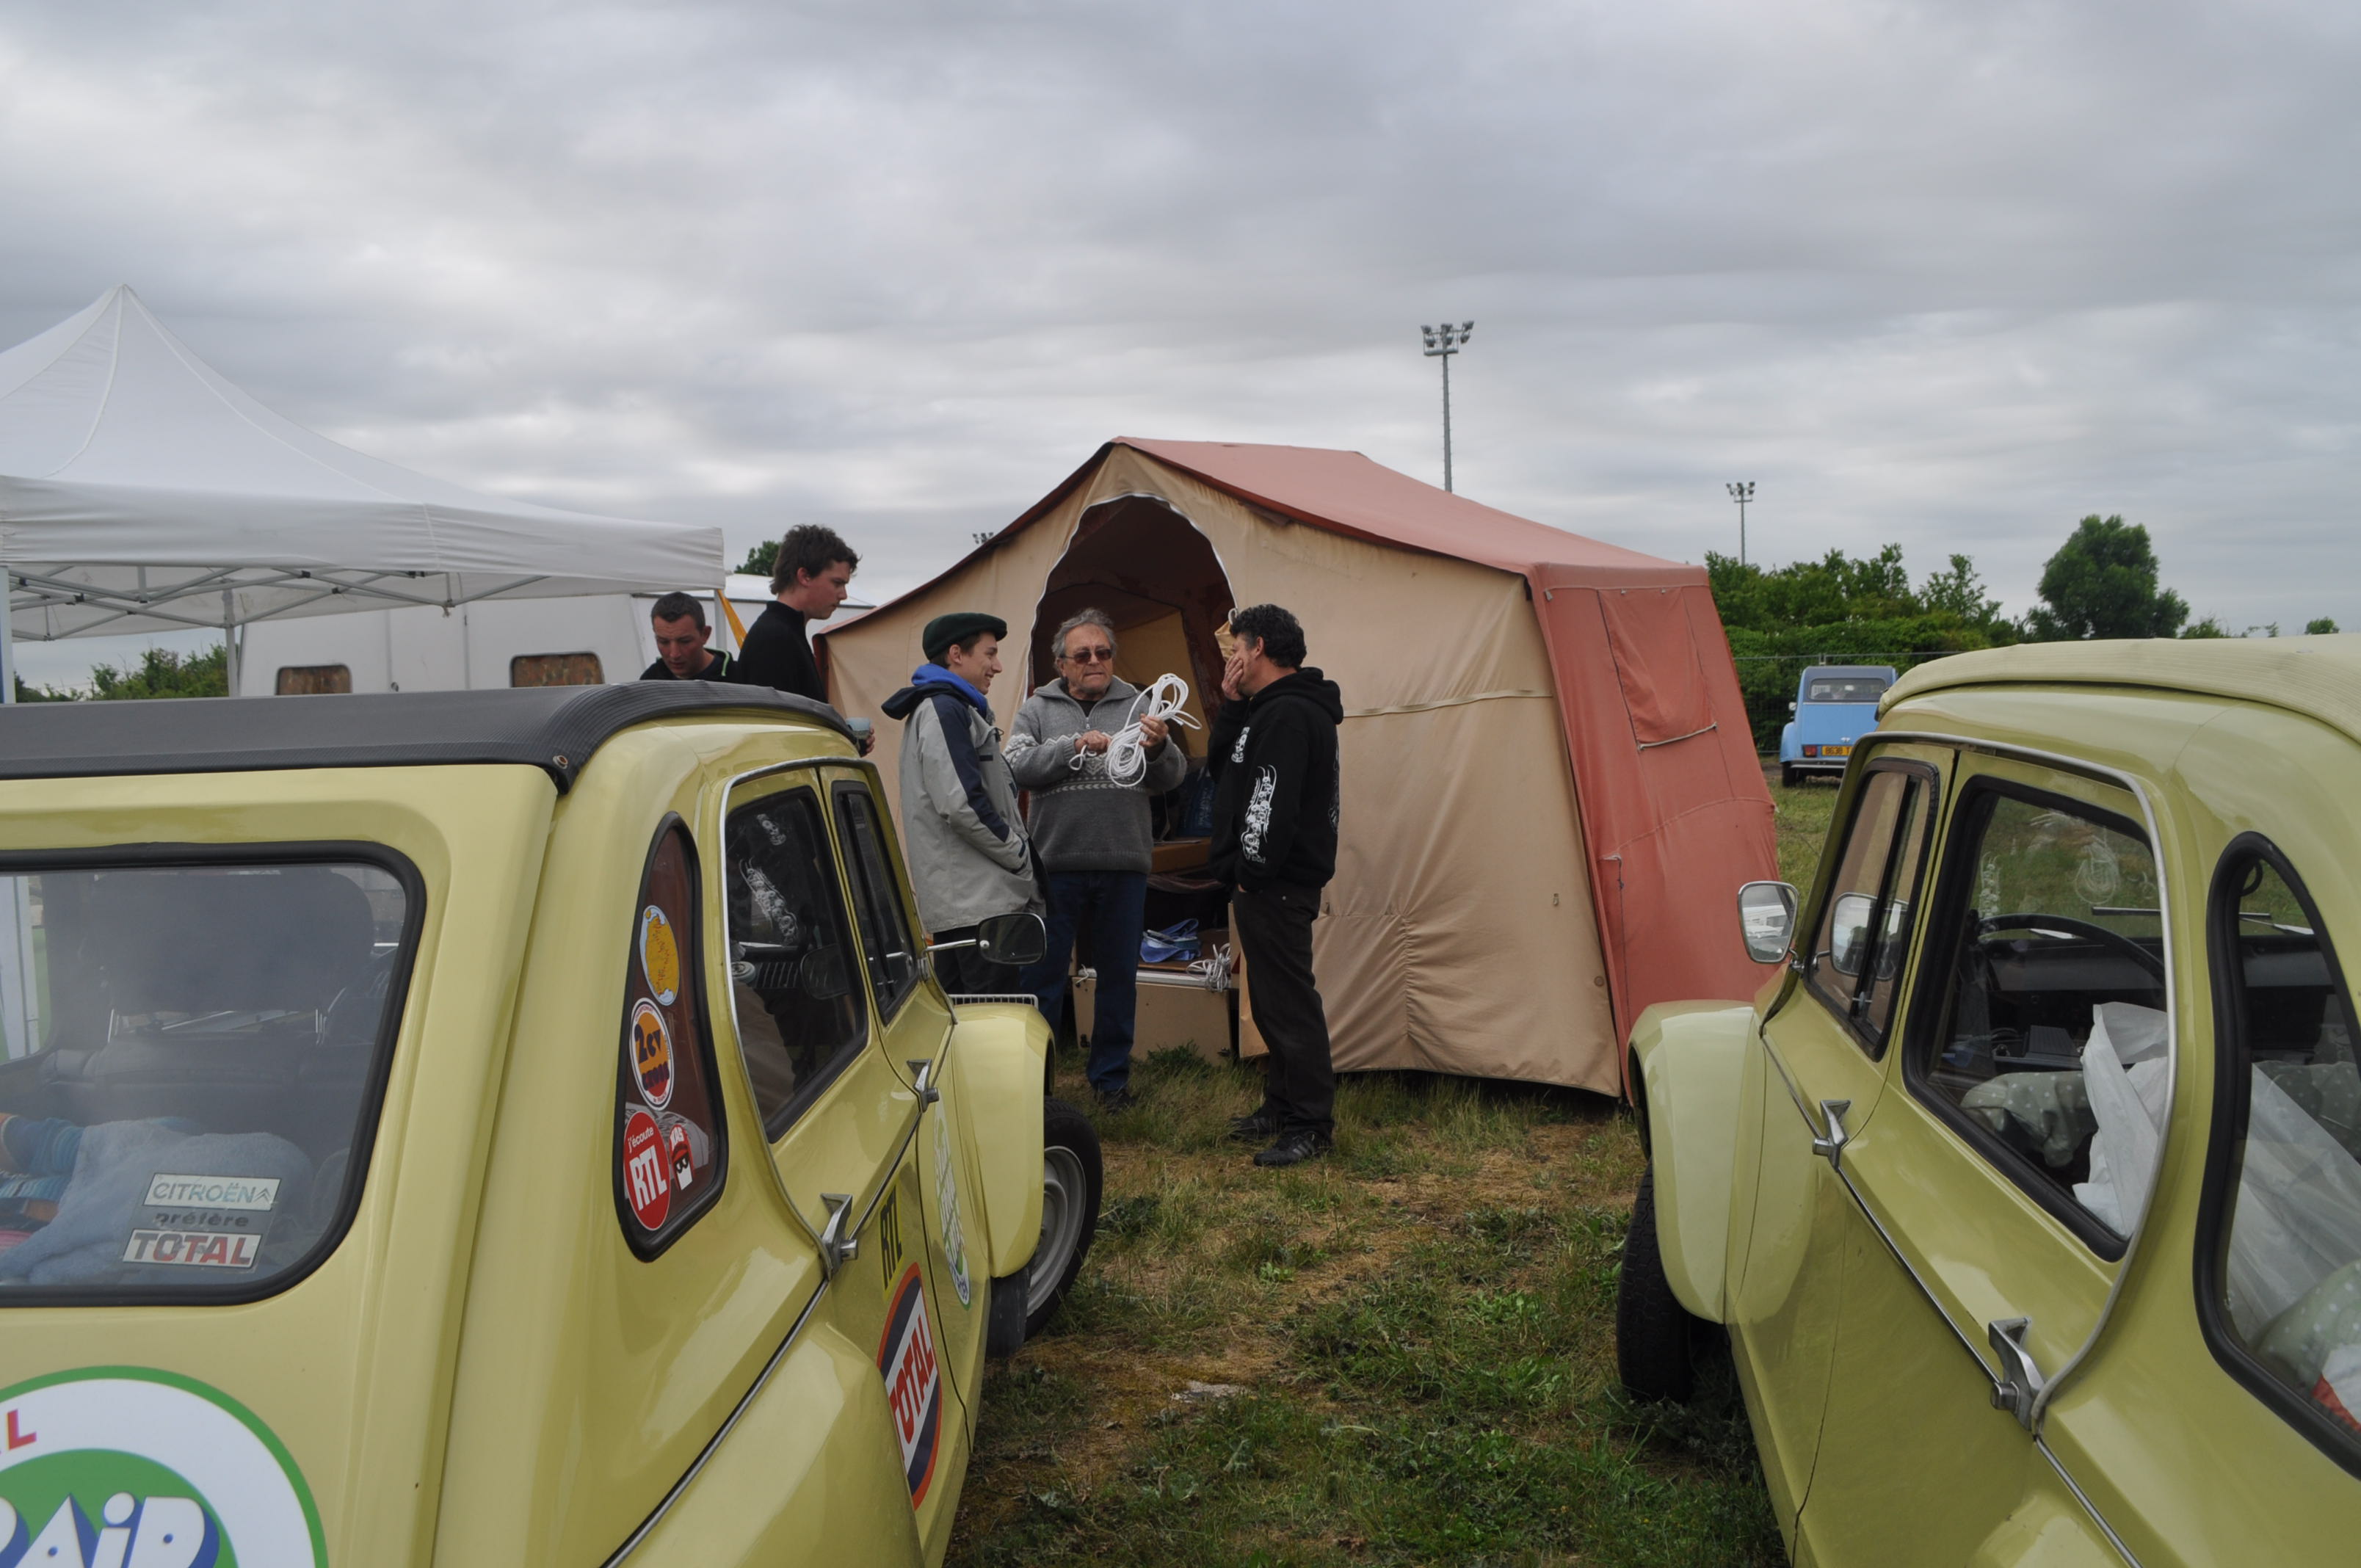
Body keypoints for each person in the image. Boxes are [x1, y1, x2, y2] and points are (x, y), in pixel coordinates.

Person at [1007, 609, 1186, 1112]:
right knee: (1041, 978)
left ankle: (1110, 1083)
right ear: (1061, 664)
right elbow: (1015, 765)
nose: (1095, 662)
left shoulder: (1141, 705)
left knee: (1116, 977)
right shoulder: (1036, 710)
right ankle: (1031, 1083)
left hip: (1123, 862)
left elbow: (1171, 779)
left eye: (1103, 653)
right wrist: (1072, 747)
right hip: (1055, 864)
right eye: (1082, 655)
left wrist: (1159, 747)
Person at [1207, 603, 1343, 1169]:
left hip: (1277, 883)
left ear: (1258, 647)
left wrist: (1250, 871)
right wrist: (1233, 706)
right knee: (1270, 1002)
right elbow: (1223, 769)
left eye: (1237, 647)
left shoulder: (1290, 715)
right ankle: (1281, 1105)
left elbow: (1271, 803)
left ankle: (1311, 1123)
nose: (1233, 658)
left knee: (1290, 1006)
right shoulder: (1263, 711)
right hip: (1263, 883)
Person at [880, 612, 1040, 995]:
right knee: (993, 1020)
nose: (998, 666)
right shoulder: (944, 709)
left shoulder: (954, 707)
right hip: (977, 903)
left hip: (966, 901)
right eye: (991, 654)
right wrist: (1017, 853)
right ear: (956, 654)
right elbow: (961, 804)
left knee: (964, 1016)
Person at [733, 523, 858, 706]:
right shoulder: (774, 639)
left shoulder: (786, 633)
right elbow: (778, 727)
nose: (843, 595)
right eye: (837, 583)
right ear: (804, 576)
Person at [637, 592, 735, 681]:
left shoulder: (739, 677)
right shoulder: (651, 679)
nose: (674, 654)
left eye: (685, 641)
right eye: (664, 642)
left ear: (705, 634)